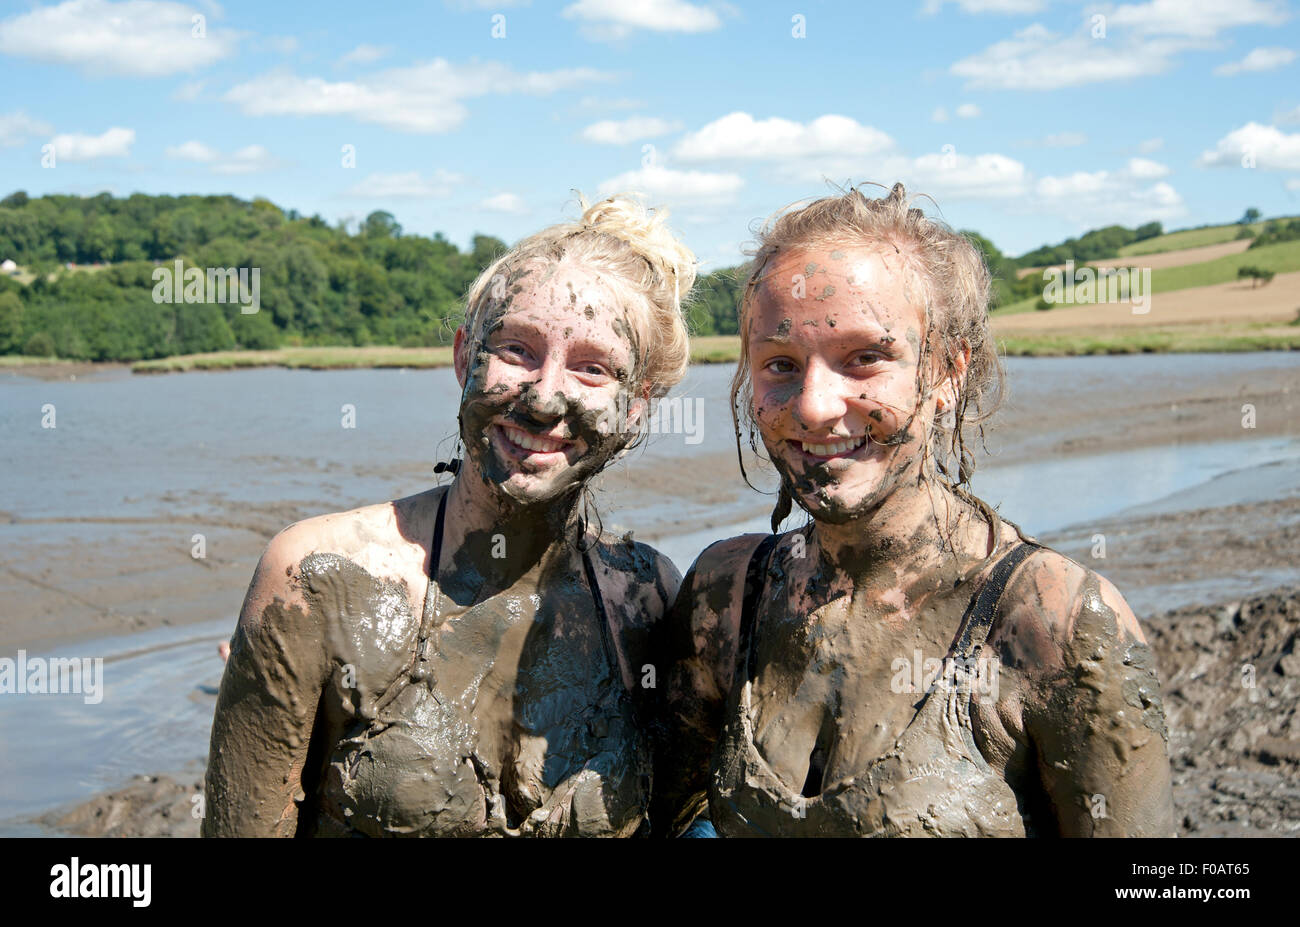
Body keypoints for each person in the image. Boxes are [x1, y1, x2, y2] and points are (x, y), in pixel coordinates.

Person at [652, 183, 1176, 837]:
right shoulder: (723, 597)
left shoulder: (1058, 624)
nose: (814, 405)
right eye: (780, 363)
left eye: (866, 357)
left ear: (948, 372)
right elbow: (676, 817)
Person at [203, 194, 693, 837]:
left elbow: (688, 816)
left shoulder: (649, 597)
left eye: (592, 368)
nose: (545, 398)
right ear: (465, 358)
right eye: (517, 350)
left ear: (636, 407)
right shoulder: (319, 577)